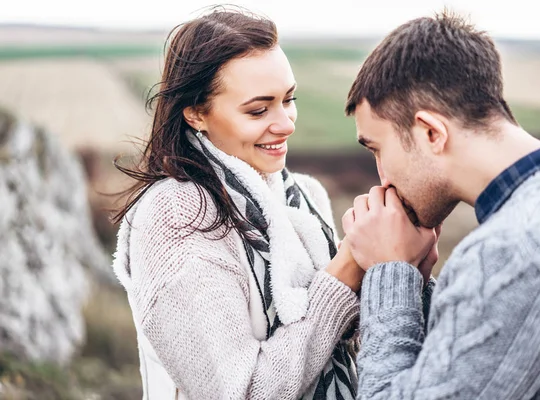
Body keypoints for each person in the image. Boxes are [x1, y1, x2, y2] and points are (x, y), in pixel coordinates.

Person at [339, 10, 540, 399]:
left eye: (378, 149)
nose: (382, 177)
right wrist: (419, 286)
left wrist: (388, 273)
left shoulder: (512, 252)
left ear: (431, 132)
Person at [111, 7, 364, 400]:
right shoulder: (177, 216)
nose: (286, 123)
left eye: (289, 99)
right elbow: (242, 392)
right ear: (196, 113)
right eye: (259, 110)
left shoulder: (305, 197)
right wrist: (346, 272)